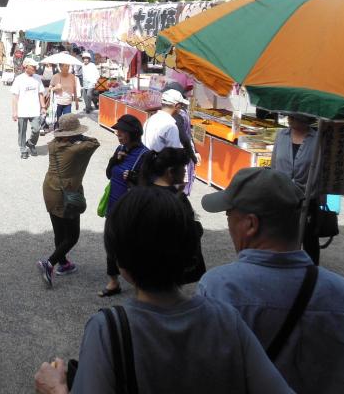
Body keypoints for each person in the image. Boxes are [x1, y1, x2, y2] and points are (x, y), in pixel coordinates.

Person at [35, 186, 293, 394]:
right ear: (190, 250)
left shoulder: (107, 329)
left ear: (120, 261)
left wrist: (57, 389)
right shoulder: (227, 320)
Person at [198, 167, 344, 394]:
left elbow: (206, 377)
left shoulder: (219, 289)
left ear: (250, 224)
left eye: (229, 216)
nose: (228, 225)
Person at [38, 115, 100, 287]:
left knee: (59, 231)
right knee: (72, 236)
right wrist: (81, 137)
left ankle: (64, 264)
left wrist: (71, 136)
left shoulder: (52, 145)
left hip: (50, 188)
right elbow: (95, 142)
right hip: (66, 193)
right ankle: (49, 264)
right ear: (74, 134)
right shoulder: (77, 150)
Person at [138, 147, 206, 284]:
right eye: (184, 169)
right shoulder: (175, 198)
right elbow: (190, 230)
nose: (185, 173)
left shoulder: (144, 191)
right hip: (172, 261)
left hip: (149, 261)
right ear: (170, 172)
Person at [99, 115, 148, 297]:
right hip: (113, 206)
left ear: (132, 134)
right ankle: (113, 281)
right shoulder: (120, 149)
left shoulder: (146, 155)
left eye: (122, 131)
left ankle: (141, 284)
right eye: (117, 130)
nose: (117, 134)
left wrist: (136, 178)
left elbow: (150, 185)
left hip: (130, 210)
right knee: (111, 244)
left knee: (130, 246)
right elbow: (108, 174)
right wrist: (115, 161)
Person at [271, 113, 321, 264]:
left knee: (309, 238)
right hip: (282, 194)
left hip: (307, 197)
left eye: (293, 117)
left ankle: (311, 271)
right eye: (289, 116)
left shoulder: (317, 139)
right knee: (281, 234)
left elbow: (320, 169)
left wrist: (311, 193)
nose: (289, 119)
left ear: (305, 119)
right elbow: (274, 163)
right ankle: (282, 267)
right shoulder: (282, 135)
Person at [162, 82, 199, 194]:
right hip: (185, 153)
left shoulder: (178, 115)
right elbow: (188, 135)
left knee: (178, 186)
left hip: (181, 154)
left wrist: (193, 154)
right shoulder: (183, 113)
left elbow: (185, 137)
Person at [11, 57, 47, 159]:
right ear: (26, 67)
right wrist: (14, 112)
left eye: (35, 66)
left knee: (36, 129)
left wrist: (43, 106)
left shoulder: (37, 78)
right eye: (33, 66)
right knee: (22, 131)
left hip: (34, 109)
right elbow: (14, 97)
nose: (35, 68)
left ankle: (31, 143)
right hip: (22, 109)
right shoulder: (19, 79)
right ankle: (23, 149)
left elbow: (41, 94)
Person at [49, 63, 79, 127]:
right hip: (57, 103)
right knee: (58, 121)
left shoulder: (72, 76)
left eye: (68, 66)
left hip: (68, 103)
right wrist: (55, 88)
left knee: (67, 121)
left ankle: (66, 136)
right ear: (60, 67)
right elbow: (49, 89)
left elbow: (74, 89)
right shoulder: (55, 76)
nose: (67, 68)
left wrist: (76, 102)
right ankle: (57, 135)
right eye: (65, 66)